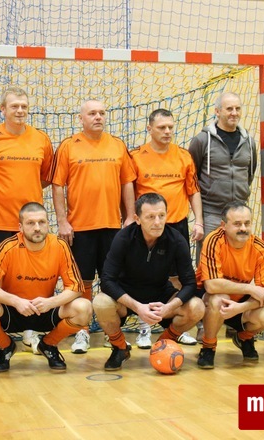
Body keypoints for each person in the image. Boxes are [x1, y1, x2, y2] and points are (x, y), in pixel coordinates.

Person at [0, 86, 55, 358]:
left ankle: (31, 329)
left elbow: (46, 177)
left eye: (24, 106)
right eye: (14, 106)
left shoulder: (41, 139)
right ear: (3, 109)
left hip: (32, 227)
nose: (20, 111)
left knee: (32, 279)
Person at [50, 99, 137, 354]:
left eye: (101, 113)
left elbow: (127, 183)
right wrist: (62, 221)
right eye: (92, 113)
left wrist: (130, 217)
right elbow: (57, 185)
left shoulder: (117, 145)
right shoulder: (68, 146)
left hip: (113, 227)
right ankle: (82, 331)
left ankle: (114, 333)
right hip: (80, 228)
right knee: (82, 282)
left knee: (113, 282)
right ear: (81, 118)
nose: (98, 117)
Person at [0, 202, 92, 373]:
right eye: (30, 223)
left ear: (48, 223)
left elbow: (76, 287)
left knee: (84, 307)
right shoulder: (8, 247)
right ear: (20, 227)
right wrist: (16, 301)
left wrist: (51, 302)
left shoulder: (59, 246)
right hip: (12, 310)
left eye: (41, 222)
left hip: (44, 309)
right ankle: (5, 346)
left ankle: (48, 345)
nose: (37, 228)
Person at [94, 193, 205, 371]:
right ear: (137, 219)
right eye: (150, 217)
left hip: (160, 296)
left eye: (161, 215)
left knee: (197, 306)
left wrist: (169, 307)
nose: (157, 222)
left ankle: (162, 345)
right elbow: (107, 280)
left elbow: (190, 283)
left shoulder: (176, 240)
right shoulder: (123, 238)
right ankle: (120, 348)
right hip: (127, 297)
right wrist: (138, 307)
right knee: (100, 302)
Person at [130, 108, 203, 348]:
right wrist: (129, 218)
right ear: (149, 129)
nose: (167, 131)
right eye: (162, 127)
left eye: (170, 127)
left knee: (179, 278)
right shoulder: (136, 156)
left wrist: (199, 221)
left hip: (176, 226)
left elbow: (193, 191)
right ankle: (144, 328)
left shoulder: (183, 156)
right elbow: (127, 189)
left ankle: (176, 328)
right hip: (146, 228)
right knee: (144, 277)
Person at [188, 91, 258, 342]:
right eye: (229, 109)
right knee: (206, 268)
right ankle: (203, 322)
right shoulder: (201, 140)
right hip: (211, 211)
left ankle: (234, 320)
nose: (234, 113)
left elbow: (249, 174)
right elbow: (192, 178)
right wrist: (199, 217)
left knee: (238, 263)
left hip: (238, 213)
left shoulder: (249, 142)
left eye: (237, 108)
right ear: (217, 111)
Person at [195, 202, 264, 369]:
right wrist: (249, 288)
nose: (243, 228)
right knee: (219, 299)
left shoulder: (260, 248)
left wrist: (240, 307)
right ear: (223, 225)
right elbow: (211, 285)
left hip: (238, 303)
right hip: (208, 300)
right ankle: (208, 347)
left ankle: (244, 337)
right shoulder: (213, 240)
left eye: (247, 223)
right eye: (237, 224)